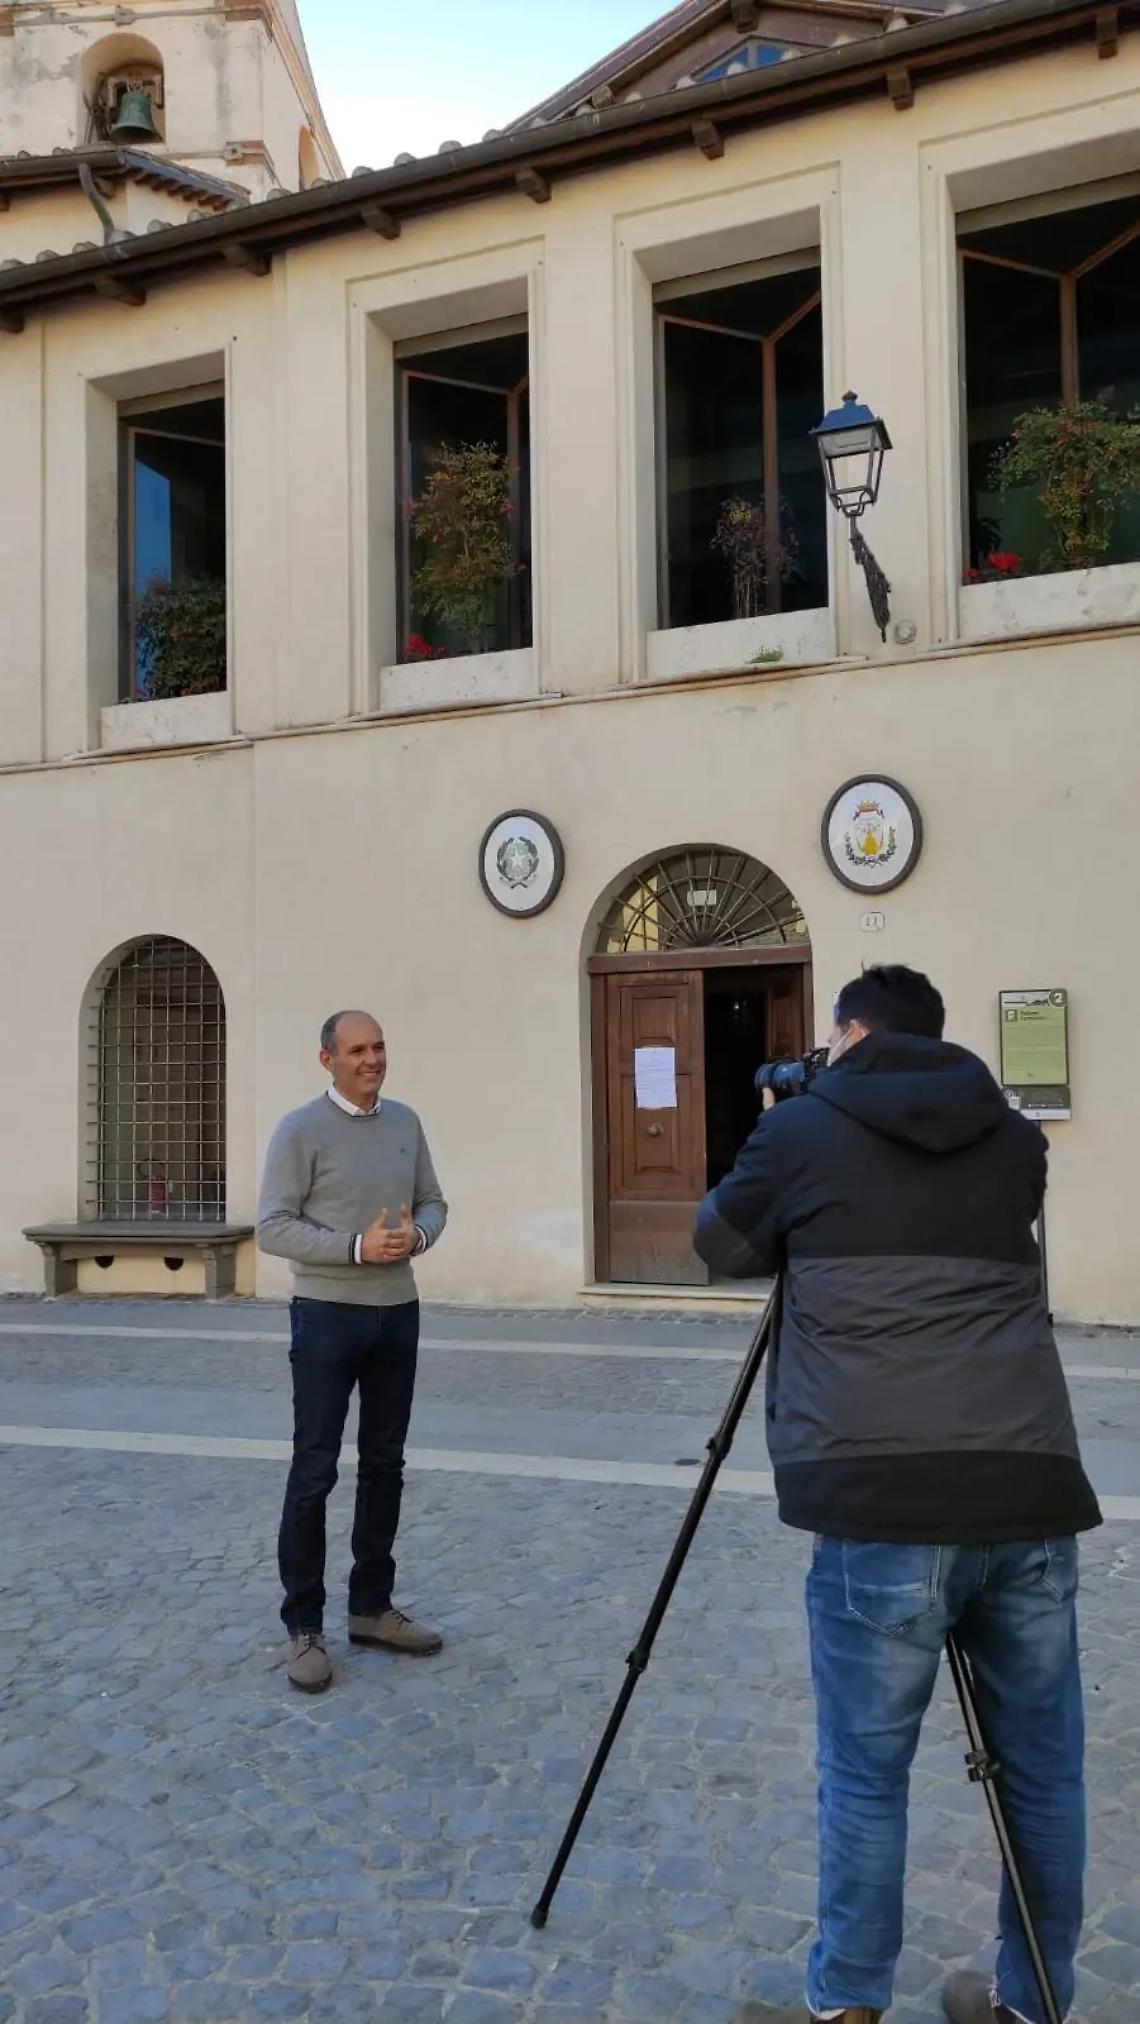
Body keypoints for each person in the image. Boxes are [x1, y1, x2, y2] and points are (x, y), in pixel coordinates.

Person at [694, 965, 1100, 2024]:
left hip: (879, 1494)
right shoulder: (1016, 1141)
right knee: (1043, 1771)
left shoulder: (802, 1129)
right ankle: (1032, 2001)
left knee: (866, 1772)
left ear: (851, 1032)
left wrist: (779, 1127)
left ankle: (848, 2004)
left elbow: (720, 1244)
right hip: (1027, 1484)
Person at [258, 1009, 448, 1693]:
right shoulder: (299, 1130)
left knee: (385, 1464)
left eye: (379, 1047)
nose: (373, 1060)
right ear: (328, 1060)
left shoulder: (405, 1123)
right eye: (358, 1050)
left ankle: (371, 1608)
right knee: (314, 1469)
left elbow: (433, 1202)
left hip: (397, 1312)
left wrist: (417, 1237)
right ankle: (304, 1626)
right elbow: (272, 1227)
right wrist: (356, 1247)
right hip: (326, 1315)